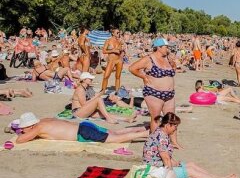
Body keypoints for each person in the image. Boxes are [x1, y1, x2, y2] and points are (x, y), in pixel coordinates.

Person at [143, 113, 237, 178]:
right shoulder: (162, 137)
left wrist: (176, 163)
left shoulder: (161, 132)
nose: (175, 129)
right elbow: (166, 159)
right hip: (155, 171)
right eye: (175, 127)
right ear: (168, 125)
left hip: (157, 166)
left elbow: (164, 156)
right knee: (190, 171)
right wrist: (171, 177)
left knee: (191, 165)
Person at [129, 38, 181, 147]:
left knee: (172, 118)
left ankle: (174, 142)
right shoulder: (149, 59)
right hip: (153, 93)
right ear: (158, 47)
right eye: (166, 47)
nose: (168, 49)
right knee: (156, 118)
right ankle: (155, 142)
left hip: (169, 94)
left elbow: (172, 72)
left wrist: (174, 65)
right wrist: (143, 76)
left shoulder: (168, 58)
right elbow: (132, 68)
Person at [15, 112, 148, 144]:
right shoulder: (44, 120)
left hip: (82, 133)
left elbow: (20, 140)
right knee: (116, 132)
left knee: (116, 139)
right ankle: (142, 129)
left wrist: (21, 133)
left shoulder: (38, 127)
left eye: (23, 128)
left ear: (30, 125)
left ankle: (145, 134)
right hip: (84, 125)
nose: (22, 130)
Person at [71, 72, 136, 123]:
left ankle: (126, 119)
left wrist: (100, 94)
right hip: (78, 112)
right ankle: (108, 119)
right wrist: (97, 97)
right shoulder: (80, 89)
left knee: (104, 113)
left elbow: (93, 96)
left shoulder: (87, 88)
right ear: (84, 80)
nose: (91, 79)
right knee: (99, 99)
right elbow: (84, 104)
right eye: (90, 79)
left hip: (84, 110)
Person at [101, 27, 125, 92]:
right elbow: (104, 51)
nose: (118, 34)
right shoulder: (108, 41)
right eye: (117, 32)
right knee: (106, 76)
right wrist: (113, 50)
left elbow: (121, 52)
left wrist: (122, 49)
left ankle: (117, 91)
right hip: (111, 60)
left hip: (119, 60)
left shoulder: (119, 41)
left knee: (118, 76)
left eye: (119, 32)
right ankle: (103, 90)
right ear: (113, 33)